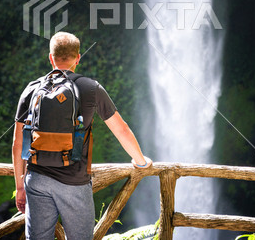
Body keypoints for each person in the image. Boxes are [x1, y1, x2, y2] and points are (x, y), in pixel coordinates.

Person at [12, 31, 152, 240]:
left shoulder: (32, 89)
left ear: (50, 57)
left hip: (37, 179)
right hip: (74, 182)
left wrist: (20, 186)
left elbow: (17, 143)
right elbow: (120, 129)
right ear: (78, 58)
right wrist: (141, 162)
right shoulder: (90, 88)